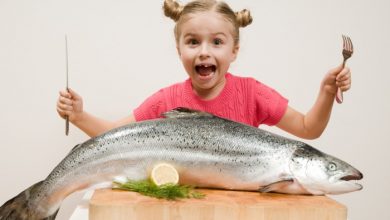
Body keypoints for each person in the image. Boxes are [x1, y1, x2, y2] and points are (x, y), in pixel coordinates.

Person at [56, 0, 351, 140]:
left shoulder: (252, 93)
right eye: (193, 42)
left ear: (234, 50)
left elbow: (307, 128)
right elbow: (115, 135)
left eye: (217, 42)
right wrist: (79, 115)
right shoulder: (165, 100)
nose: (204, 52)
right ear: (179, 49)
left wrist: (326, 92)